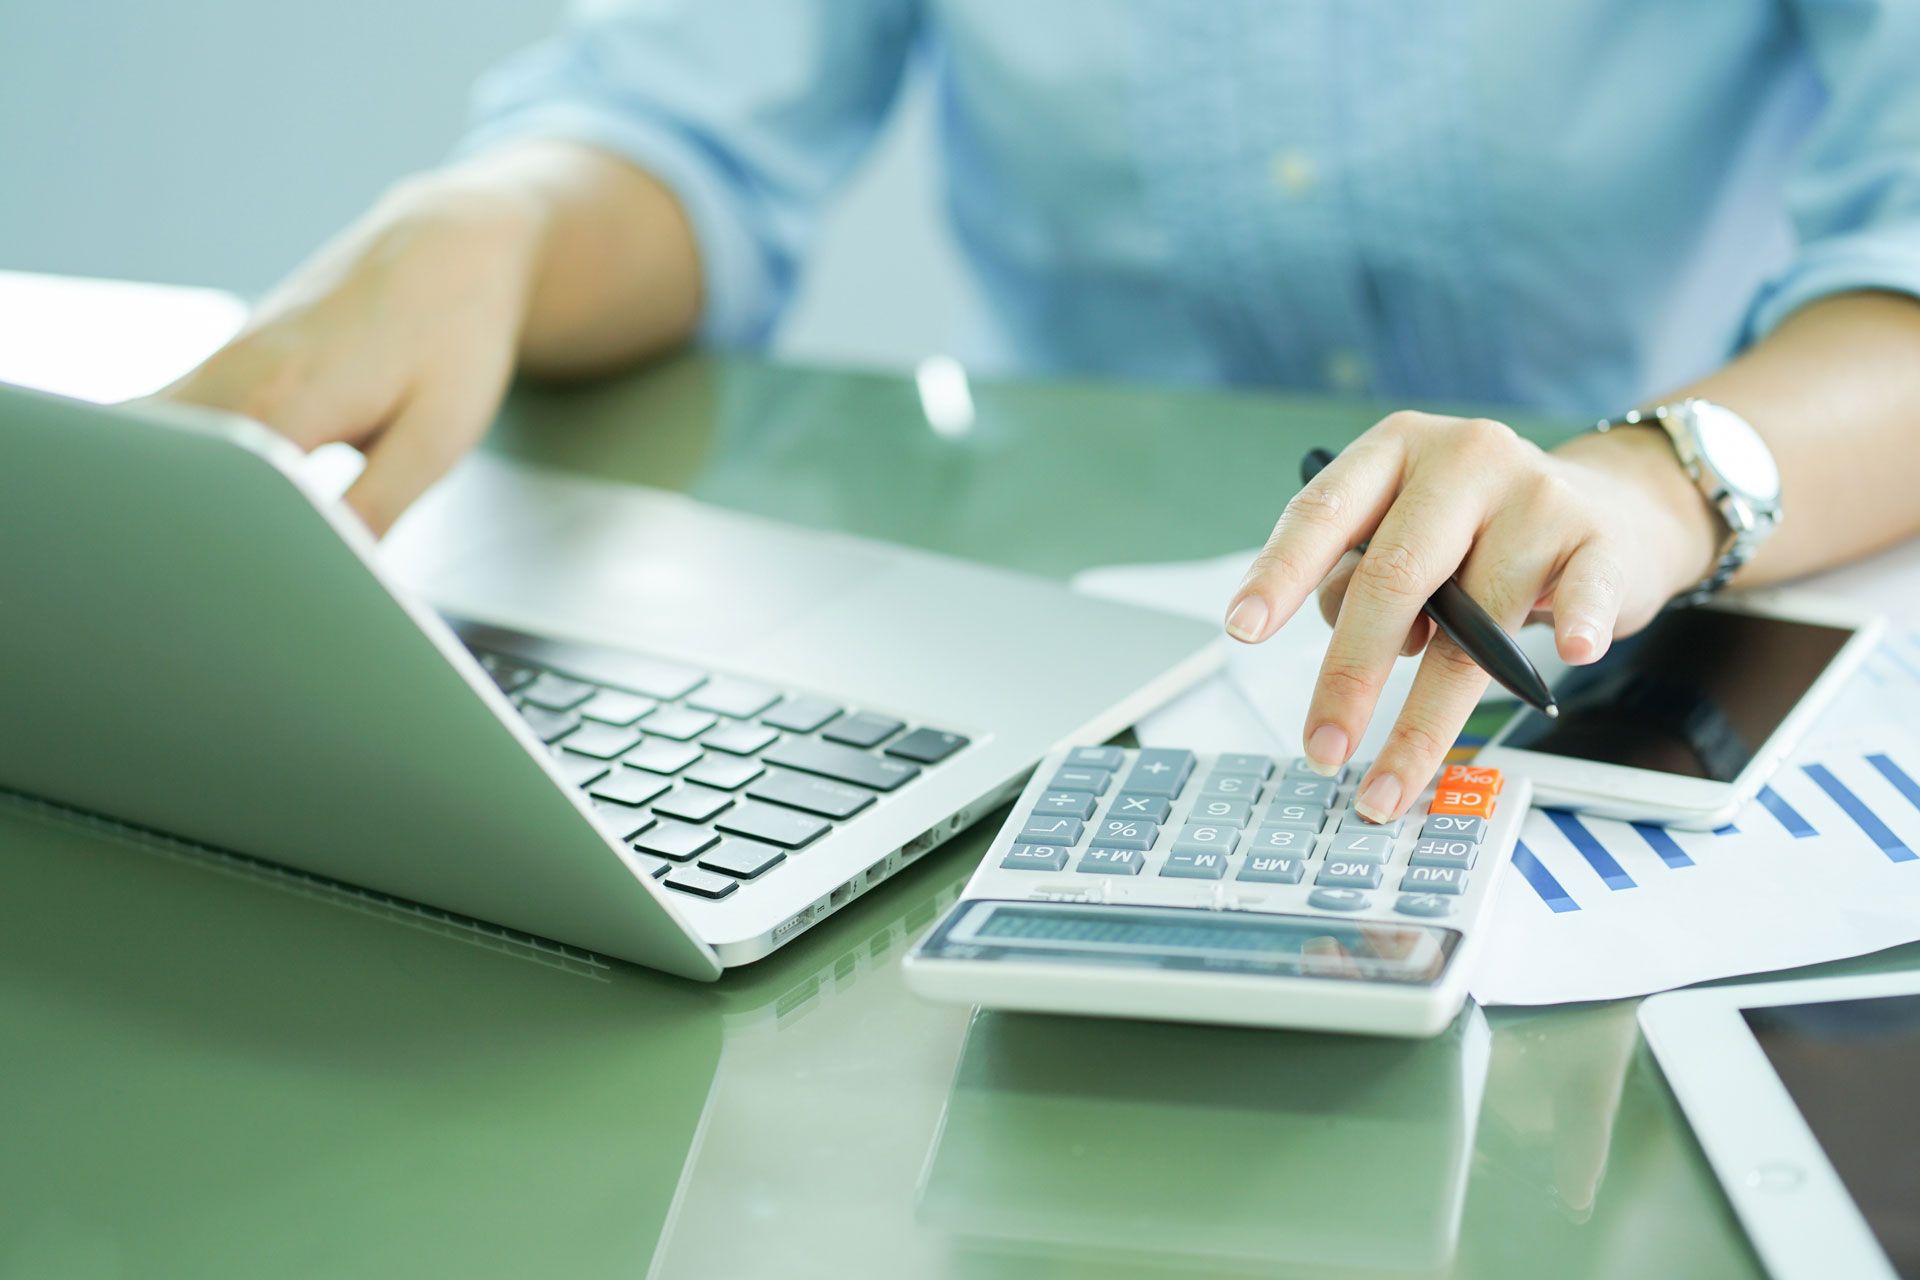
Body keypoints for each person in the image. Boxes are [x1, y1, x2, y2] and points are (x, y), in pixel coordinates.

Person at [163, 2, 1920, 825]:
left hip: (1680, 614)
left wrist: (1666, 478)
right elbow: (690, 127)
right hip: (1074, 667)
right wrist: (488, 224)